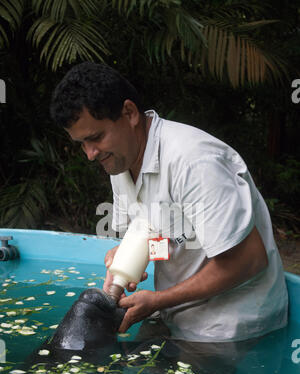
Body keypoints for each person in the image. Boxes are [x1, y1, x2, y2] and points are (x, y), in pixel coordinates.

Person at [50, 62, 288, 343]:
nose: (89, 154)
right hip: (174, 313)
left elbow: (248, 260)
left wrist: (159, 300)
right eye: (81, 143)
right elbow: (179, 241)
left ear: (129, 113)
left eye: (96, 138)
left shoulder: (194, 161)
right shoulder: (119, 161)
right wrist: (131, 255)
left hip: (231, 325)